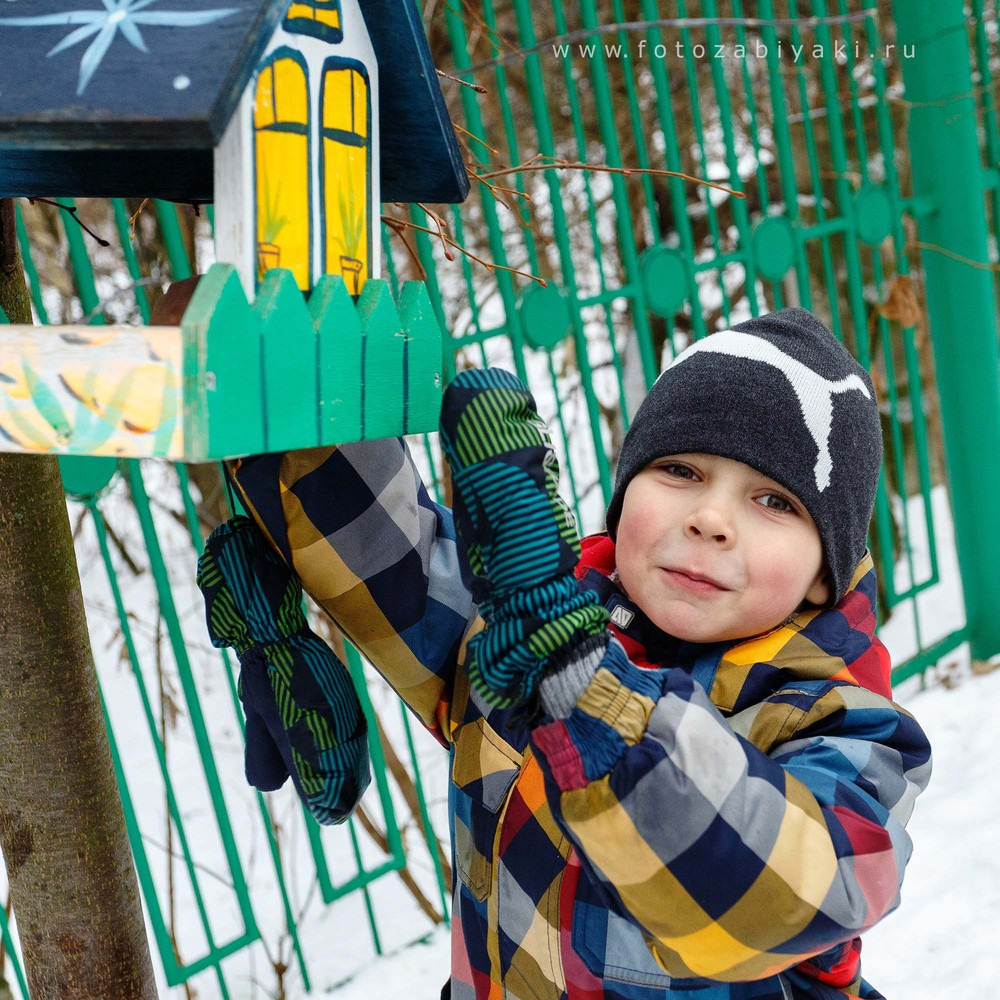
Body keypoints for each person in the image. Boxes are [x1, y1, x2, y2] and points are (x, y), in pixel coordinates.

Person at [228, 307, 931, 1000]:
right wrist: (283, 378)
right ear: (624, 500)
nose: (711, 519)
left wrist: (582, 682)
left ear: (823, 573)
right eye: (681, 469)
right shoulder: (518, 620)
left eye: (776, 502)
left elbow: (798, 887)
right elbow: (389, 563)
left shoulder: (843, 728)